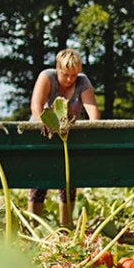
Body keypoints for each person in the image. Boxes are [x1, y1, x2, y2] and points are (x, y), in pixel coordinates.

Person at [29, 49, 100, 226]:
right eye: (65, 74)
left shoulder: (82, 81)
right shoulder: (47, 77)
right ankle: (33, 224)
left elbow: (93, 112)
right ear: (57, 68)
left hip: (68, 136)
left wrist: (93, 129)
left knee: (68, 180)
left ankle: (66, 227)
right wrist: (46, 125)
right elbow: (36, 107)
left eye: (74, 75)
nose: (70, 79)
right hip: (42, 134)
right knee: (39, 180)